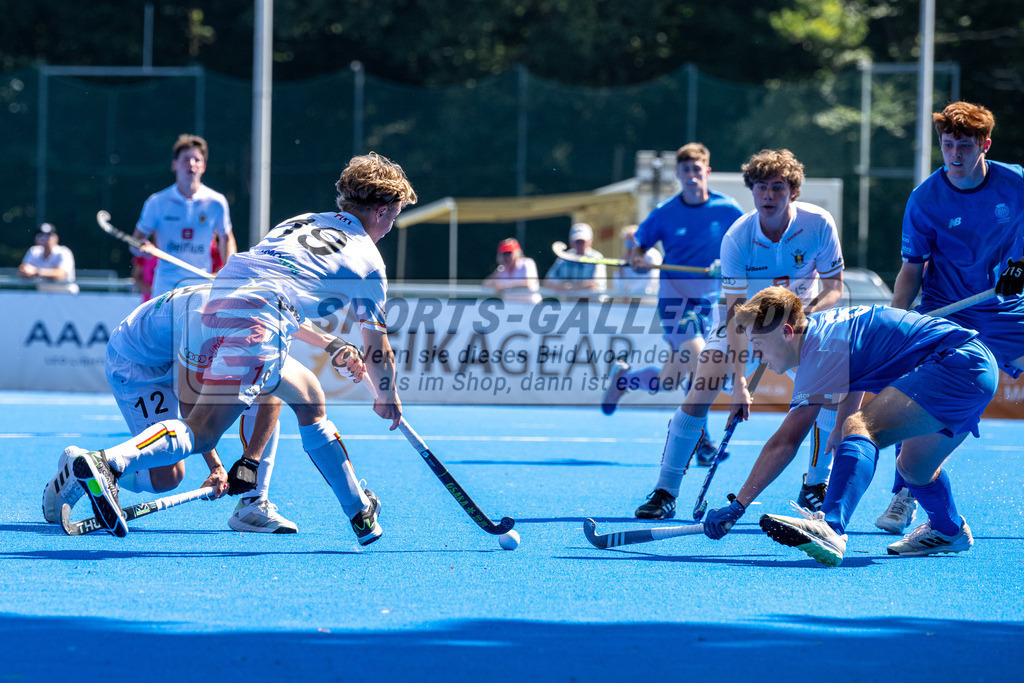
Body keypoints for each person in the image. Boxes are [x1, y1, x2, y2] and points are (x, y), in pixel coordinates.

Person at [56, 152, 416, 542]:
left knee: (308, 396)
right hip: (256, 322)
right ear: (381, 211)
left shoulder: (300, 222)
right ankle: (107, 462)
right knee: (204, 432)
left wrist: (330, 344)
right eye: (393, 218)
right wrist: (387, 394)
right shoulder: (368, 261)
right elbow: (377, 344)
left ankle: (357, 514)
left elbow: (268, 291)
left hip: (214, 307)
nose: (389, 227)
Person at [702, 286, 997, 566]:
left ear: (786, 332)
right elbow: (856, 368)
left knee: (861, 427)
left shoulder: (817, 350)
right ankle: (949, 529)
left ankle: (831, 527)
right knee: (913, 467)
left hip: (955, 364)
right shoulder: (820, 331)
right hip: (973, 366)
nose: (756, 354)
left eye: (758, 344)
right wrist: (840, 424)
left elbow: (785, 442)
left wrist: (738, 506)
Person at [40, 283, 362, 533]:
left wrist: (249, 463)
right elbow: (193, 413)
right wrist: (216, 467)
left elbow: (273, 385)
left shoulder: (264, 313)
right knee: (168, 476)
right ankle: (88, 463)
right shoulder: (203, 324)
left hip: (177, 349)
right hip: (137, 365)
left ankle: (253, 504)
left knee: (265, 383)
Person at [629, 149, 845, 520]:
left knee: (831, 394)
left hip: (803, 322)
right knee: (702, 387)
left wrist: (803, 318)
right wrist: (741, 383)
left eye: (778, 188)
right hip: (747, 320)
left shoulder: (818, 224)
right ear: (752, 191)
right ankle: (666, 489)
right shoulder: (737, 238)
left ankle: (814, 485)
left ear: (792, 191)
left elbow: (834, 287)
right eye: (761, 188)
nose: (768, 196)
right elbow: (734, 313)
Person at [874, 101, 1024, 535]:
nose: (954, 155)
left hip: (1006, 310)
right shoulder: (925, 199)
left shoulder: (1015, 183)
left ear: (985, 145)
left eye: (964, 146)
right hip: (948, 314)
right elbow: (910, 270)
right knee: (918, 397)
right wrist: (897, 324)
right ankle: (907, 494)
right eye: (947, 145)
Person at [602, 143, 743, 415]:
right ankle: (701, 439)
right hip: (675, 304)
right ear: (677, 174)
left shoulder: (728, 209)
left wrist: (727, 264)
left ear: (708, 172)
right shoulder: (664, 212)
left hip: (707, 304)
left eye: (697, 169)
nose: (691, 175)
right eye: (685, 170)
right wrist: (639, 261)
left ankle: (625, 379)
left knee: (669, 381)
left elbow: (745, 244)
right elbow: (639, 249)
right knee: (705, 362)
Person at [133, 134, 237, 297]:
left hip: (201, 286)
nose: (191, 164)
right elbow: (134, 245)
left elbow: (226, 238)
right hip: (165, 287)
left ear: (203, 166)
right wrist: (143, 249)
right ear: (174, 165)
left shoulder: (217, 202)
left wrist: (228, 271)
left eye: (197, 160)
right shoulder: (156, 202)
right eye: (185, 159)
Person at [543, 223, 607, 296]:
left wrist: (569, 288)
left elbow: (594, 285)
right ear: (571, 241)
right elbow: (548, 283)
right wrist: (574, 288)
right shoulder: (564, 258)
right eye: (577, 241)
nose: (580, 244)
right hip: (569, 305)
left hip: (593, 305)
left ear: (590, 241)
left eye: (583, 241)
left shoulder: (597, 257)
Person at [18, 223, 79, 294]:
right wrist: (25, 271)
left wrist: (36, 272)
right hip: (44, 295)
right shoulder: (34, 251)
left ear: (56, 238)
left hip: (66, 295)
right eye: (41, 235)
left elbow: (60, 274)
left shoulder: (64, 252)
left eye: (48, 235)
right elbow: (22, 271)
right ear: (36, 239)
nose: (44, 238)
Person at [609, 225, 661, 301]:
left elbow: (649, 285)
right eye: (627, 244)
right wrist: (621, 269)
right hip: (630, 304)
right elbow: (618, 288)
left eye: (633, 244)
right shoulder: (625, 259)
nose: (630, 248)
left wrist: (628, 293)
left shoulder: (652, 256)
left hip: (649, 303)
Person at [483, 238, 541, 304]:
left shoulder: (527, 263)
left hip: (530, 306)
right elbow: (486, 284)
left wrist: (505, 289)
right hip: (511, 307)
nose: (506, 257)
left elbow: (527, 284)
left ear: (517, 253)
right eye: (504, 254)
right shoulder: (502, 269)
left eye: (509, 253)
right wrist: (498, 270)